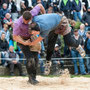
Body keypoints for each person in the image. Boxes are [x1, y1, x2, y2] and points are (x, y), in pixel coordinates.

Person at [13, 4, 45, 85]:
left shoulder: (32, 13)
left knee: (36, 59)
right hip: (22, 39)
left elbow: (40, 5)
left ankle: (33, 78)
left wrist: (44, 15)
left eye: (28, 21)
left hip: (32, 37)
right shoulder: (17, 23)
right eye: (25, 21)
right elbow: (15, 37)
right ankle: (31, 79)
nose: (26, 23)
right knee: (30, 59)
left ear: (31, 17)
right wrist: (24, 42)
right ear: (22, 17)